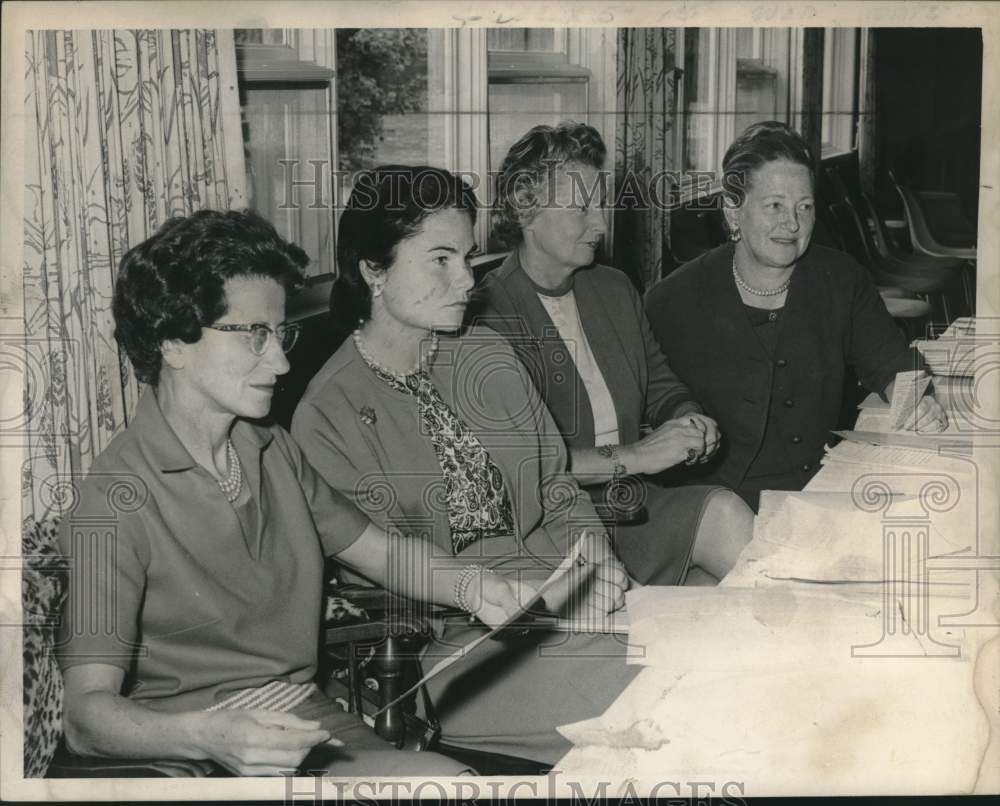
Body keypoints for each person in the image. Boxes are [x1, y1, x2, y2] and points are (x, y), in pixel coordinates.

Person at [54, 209, 527, 777]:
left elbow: (379, 552)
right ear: (172, 341)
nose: (279, 361)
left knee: (457, 786)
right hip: (188, 754)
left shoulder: (271, 448)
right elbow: (84, 718)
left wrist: (473, 585)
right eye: (255, 336)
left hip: (303, 719)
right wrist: (206, 736)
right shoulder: (113, 498)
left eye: (280, 335)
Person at [292, 166, 641, 766]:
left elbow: (556, 484)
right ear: (372, 270)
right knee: (655, 704)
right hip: (454, 650)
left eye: (469, 258)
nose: (466, 281)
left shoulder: (483, 351)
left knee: (708, 665)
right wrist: (547, 602)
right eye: (441, 260)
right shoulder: (328, 415)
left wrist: (596, 563)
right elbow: (392, 579)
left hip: (565, 596)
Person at [477, 122, 753, 586]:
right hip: (552, 529)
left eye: (599, 206)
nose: (601, 225)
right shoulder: (487, 318)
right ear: (525, 208)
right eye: (581, 209)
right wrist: (639, 454)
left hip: (633, 507)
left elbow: (660, 383)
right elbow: (525, 463)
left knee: (730, 525)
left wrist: (686, 418)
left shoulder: (613, 287)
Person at [645, 121, 947, 511]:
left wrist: (916, 400)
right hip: (712, 506)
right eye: (774, 206)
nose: (792, 223)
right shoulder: (672, 300)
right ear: (733, 211)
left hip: (815, 489)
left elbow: (892, 363)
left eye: (804, 207)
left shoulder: (840, 279)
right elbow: (649, 404)